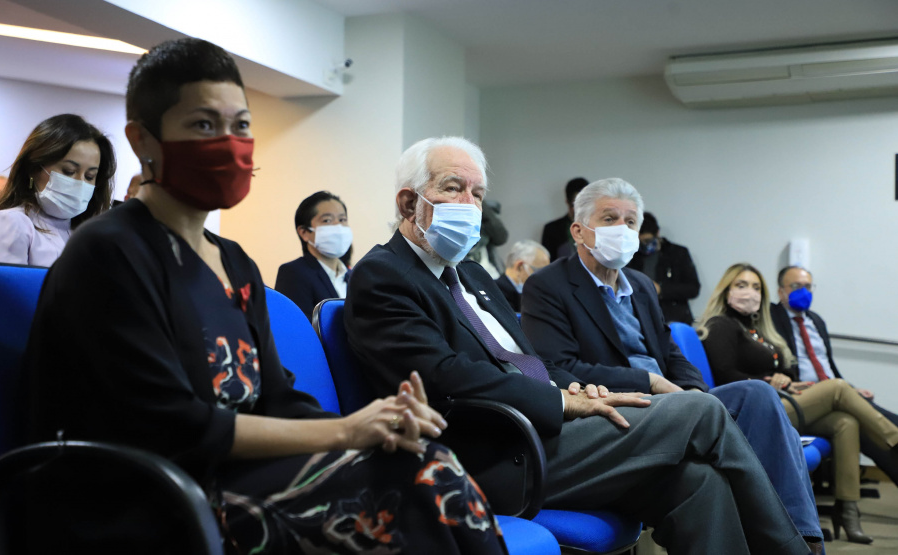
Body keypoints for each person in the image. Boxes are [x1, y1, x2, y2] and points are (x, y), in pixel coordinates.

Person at [25, 39, 508, 555]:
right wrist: (344, 433)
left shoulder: (233, 261)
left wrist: (378, 427)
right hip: (145, 496)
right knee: (407, 503)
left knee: (427, 463)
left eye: (241, 126)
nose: (230, 144)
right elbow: (171, 426)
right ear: (144, 139)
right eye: (204, 125)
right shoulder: (107, 252)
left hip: (232, 477)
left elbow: (276, 397)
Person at [345, 136, 813, 555]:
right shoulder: (382, 275)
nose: (470, 204)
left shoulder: (471, 273)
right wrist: (561, 402)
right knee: (700, 410)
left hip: (546, 431)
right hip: (492, 452)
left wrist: (583, 390)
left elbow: (529, 360)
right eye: (453, 188)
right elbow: (443, 378)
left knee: (700, 483)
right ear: (409, 203)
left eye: (478, 194)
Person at [520, 179, 822, 550]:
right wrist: (650, 381)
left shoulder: (642, 286)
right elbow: (558, 366)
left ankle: (806, 538)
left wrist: (694, 393)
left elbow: (672, 353)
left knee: (758, 394)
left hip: (681, 407)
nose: (622, 229)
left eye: (630, 222)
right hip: (621, 410)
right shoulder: (548, 285)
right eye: (610, 218)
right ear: (579, 230)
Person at [699, 263, 898, 544]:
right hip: (756, 413)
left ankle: (848, 511)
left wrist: (786, 379)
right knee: (838, 388)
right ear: (726, 290)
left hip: (781, 402)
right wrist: (769, 380)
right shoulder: (720, 325)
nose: (750, 293)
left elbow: (784, 366)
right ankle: (895, 440)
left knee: (846, 422)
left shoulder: (754, 328)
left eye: (756, 287)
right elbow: (726, 375)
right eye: (741, 285)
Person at [772, 266, 898, 500]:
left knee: (860, 423)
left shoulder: (815, 321)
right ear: (781, 292)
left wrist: (851, 389)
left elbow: (828, 367)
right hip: (806, 398)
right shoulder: (772, 318)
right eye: (796, 286)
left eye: (808, 286)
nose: (804, 292)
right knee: (876, 419)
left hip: (834, 391)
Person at [0, 114, 114, 266]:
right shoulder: (12, 222)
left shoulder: (87, 234)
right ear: (34, 169)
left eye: (90, 176)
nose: (80, 183)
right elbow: (4, 288)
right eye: (68, 171)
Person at [274, 191, 353, 321]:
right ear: (304, 232)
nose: (338, 226)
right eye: (327, 220)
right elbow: (296, 327)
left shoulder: (353, 275)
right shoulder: (293, 272)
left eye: (342, 219)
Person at [626, 212, 700, 324]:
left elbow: (693, 288)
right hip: (641, 318)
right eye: (640, 241)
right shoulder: (631, 256)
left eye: (648, 240)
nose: (644, 245)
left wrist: (661, 289)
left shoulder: (678, 253)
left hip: (673, 319)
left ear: (657, 233)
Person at [494, 240, 549, 312]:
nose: (544, 279)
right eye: (540, 272)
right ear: (520, 267)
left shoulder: (531, 294)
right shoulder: (496, 291)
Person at [540, 177, 587, 260]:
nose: (579, 210)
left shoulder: (597, 227)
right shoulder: (551, 229)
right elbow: (547, 263)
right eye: (575, 205)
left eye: (583, 205)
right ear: (567, 202)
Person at [465, 198, 508, 278]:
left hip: (491, 273)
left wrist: (478, 201)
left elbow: (501, 237)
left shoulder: (483, 218)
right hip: (467, 274)